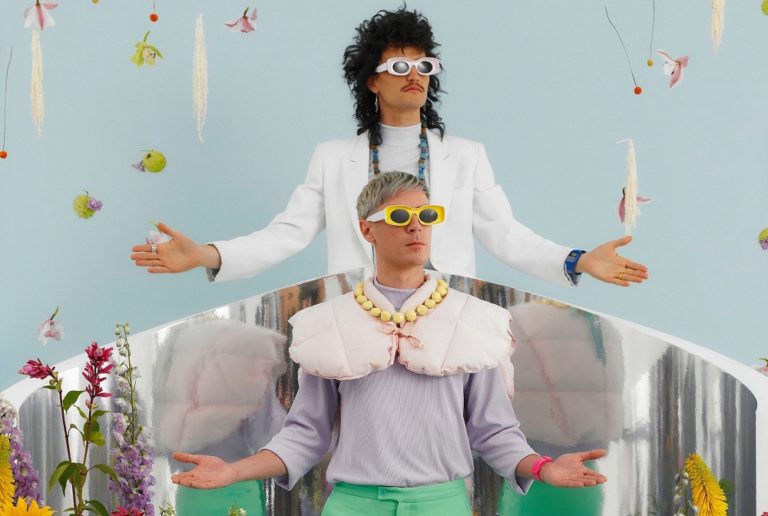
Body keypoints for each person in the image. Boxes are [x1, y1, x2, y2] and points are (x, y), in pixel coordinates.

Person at [170, 172, 608, 515]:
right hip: (353, 505)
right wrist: (233, 472)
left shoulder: (474, 322)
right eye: (399, 217)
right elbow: (305, 434)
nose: (416, 227)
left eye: (427, 216)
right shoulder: (328, 324)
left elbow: (493, 430)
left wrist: (544, 468)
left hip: (441, 505)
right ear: (368, 229)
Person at [130, 7, 648, 289]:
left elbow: (507, 236)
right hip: (359, 317)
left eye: (424, 66)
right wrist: (207, 255)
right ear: (372, 81)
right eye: (399, 66)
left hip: (448, 316)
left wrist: (578, 260)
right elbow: (285, 235)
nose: (414, 75)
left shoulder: (466, 156)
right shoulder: (332, 158)